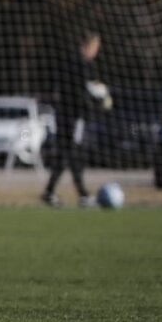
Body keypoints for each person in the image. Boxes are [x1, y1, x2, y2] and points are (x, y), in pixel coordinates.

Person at [42, 30, 110, 206]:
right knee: (72, 154)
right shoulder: (84, 66)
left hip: (62, 115)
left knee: (67, 154)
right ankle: (82, 195)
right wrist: (101, 99)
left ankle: (54, 193)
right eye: (95, 47)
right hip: (74, 116)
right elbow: (87, 91)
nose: (96, 51)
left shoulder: (68, 63)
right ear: (88, 46)